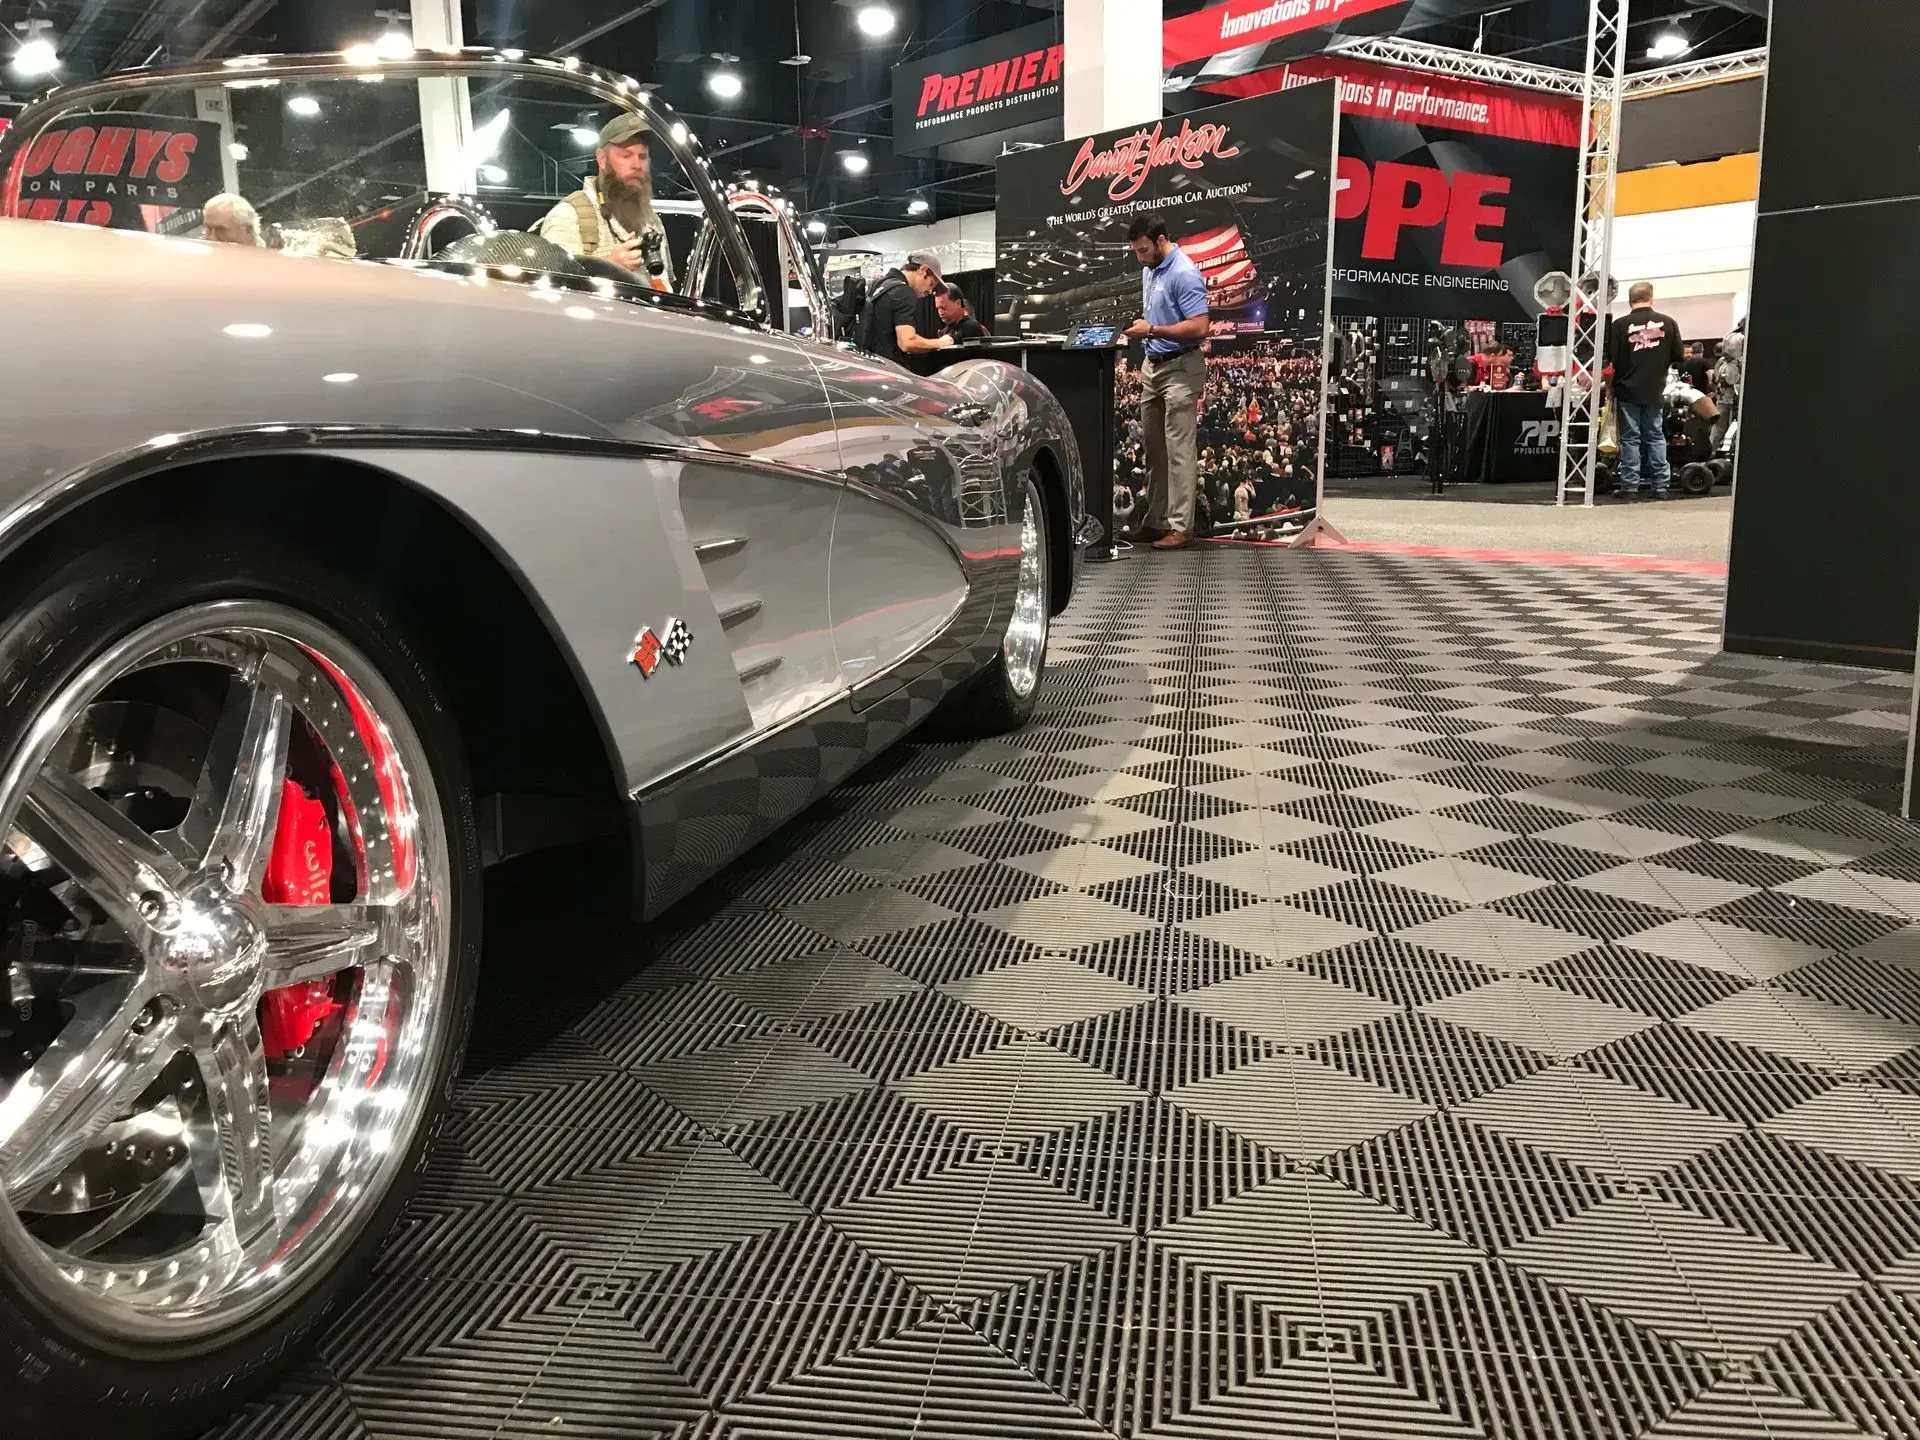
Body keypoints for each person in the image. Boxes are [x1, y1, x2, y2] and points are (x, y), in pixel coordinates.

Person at [1121, 214, 1210, 550]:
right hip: (1152, 366)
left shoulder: (1184, 272)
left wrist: (1153, 330)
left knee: (1179, 452)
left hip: (1180, 368)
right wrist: (1145, 328)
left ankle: (1181, 526)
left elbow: (1201, 327)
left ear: (1160, 241)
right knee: (1155, 451)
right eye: (1136, 252)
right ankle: (1156, 521)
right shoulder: (1150, 269)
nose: (1140, 258)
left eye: (1143, 250)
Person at [536, 114, 672, 286]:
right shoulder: (569, 216)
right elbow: (550, 289)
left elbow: (665, 286)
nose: (637, 165)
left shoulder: (652, 223)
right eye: (626, 155)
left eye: (642, 157)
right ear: (602, 159)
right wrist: (609, 267)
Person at [1606, 281, 1684, 500]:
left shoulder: (1620, 325)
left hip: (1627, 388)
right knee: (1655, 436)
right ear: (1651, 297)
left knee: (1630, 438)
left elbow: (1612, 359)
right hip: (1655, 388)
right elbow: (1678, 355)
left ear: (1630, 300)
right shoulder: (1668, 323)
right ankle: (1661, 486)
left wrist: (1611, 388)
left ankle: (1629, 486)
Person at [861, 252, 954, 364]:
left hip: (867, 363)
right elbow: (907, 343)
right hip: (888, 369)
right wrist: (940, 343)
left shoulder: (877, 285)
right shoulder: (903, 291)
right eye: (931, 284)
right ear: (923, 269)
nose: (930, 291)